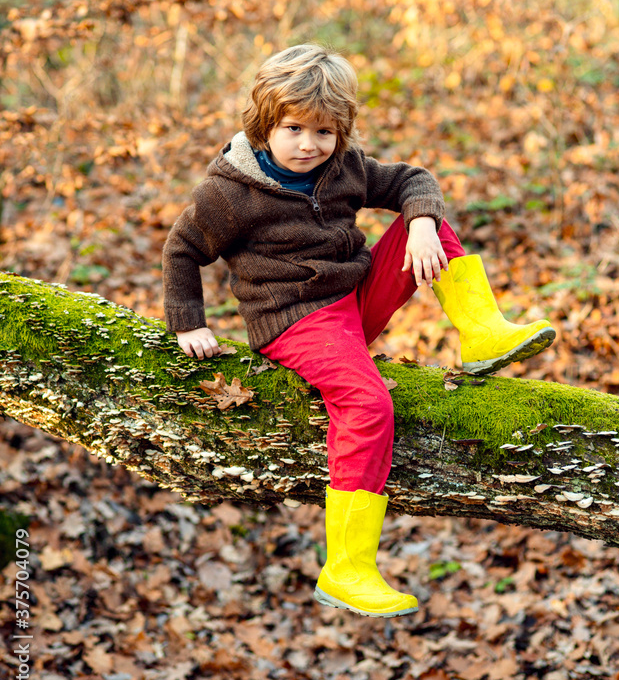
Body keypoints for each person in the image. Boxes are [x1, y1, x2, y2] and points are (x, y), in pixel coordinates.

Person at [162, 44, 556, 619]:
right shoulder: (231, 192)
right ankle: (347, 567)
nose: (308, 144)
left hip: (352, 300)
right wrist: (188, 325)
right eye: (292, 128)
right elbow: (181, 250)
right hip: (294, 320)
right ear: (264, 123)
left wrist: (419, 222)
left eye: (323, 131)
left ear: (340, 130)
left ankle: (483, 332)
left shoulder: (341, 166)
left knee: (432, 223)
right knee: (368, 403)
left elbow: (412, 179)